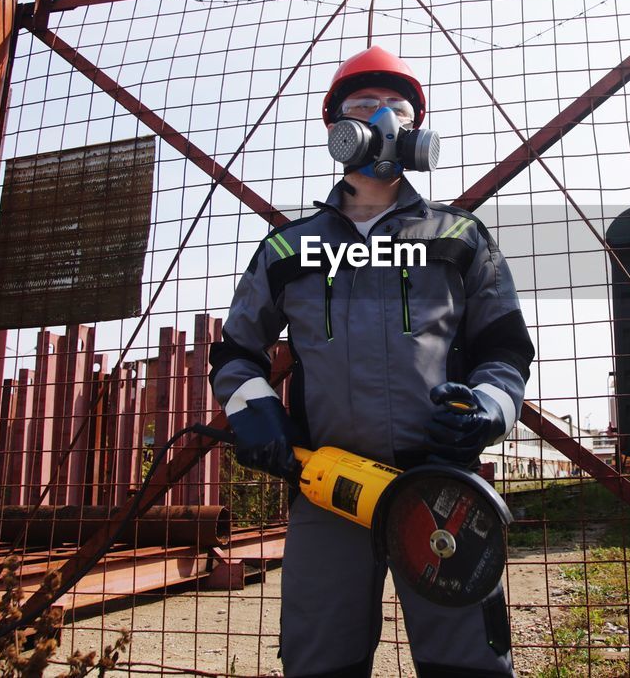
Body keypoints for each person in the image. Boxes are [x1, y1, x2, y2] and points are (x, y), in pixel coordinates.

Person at [209, 46, 535, 677]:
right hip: (330, 488)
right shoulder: (288, 248)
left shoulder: (459, 238)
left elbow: (505, 350)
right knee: (320, 661)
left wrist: (488, 413)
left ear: (417, 129)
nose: (383, 119)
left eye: (397, 108)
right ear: (337, 129)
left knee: (468, 661)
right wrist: (254, 410)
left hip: (441, 488)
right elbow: (236, 351)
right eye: (363, 107)